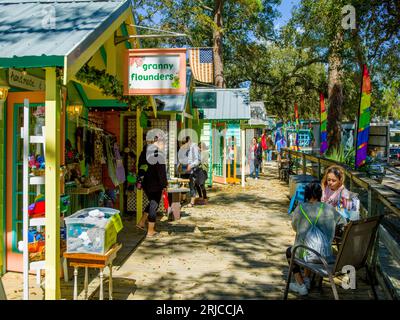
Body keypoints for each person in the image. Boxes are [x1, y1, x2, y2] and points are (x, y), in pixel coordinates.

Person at [286, 183, 340, 296]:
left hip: (306, 253)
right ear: (320, 194)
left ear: (306, 194)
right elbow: (343, 223)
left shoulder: (300, 208)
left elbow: (295, 227)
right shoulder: (329, 209)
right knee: (312, 246)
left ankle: (301, 285)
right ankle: (306, 279)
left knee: (290, 251)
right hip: (325, 254)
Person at [136, 135, 168, 237]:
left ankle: (141, 222)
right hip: (155, 183)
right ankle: (150, 231)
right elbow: (161, 171)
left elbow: (140, 167)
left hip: (145, 182)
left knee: (151, 203)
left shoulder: (144, 152)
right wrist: (164, 184)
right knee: (154, 205)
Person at [184, 136, 200, 207]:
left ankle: (192, 202)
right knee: (191, 185)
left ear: (189, 141)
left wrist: (191, 165)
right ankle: (191, 201)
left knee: (192, 185)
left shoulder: (194, 147)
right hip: (190, 169)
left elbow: (198, 160)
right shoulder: (189, 148)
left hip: (194, 169)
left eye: (185, 143)